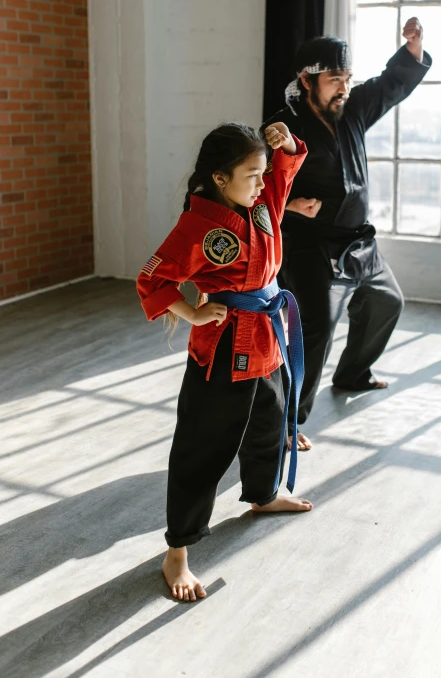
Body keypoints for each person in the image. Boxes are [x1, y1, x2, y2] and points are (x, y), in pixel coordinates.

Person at [137, 121, 312, 603]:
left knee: (269, 425)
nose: (262, 183)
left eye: (262, 174)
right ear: (220, 177)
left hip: (267, 339)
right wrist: (192, 310)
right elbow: (152, 278)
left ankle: (262, 493)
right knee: (203, 450)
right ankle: (178, 550)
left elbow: (285, 173)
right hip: (222, 351)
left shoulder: (259, 207)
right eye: (252, 174)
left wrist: (288, 145)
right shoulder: (200, 226)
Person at [264, 18, 431, 451]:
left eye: (347, 77)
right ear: (307, 79)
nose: (343, 86)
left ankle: (353, 373)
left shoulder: (352, 108)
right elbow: (251, 188)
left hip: (359, 241)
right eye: (335, 78)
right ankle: (287, 420)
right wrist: (290, 205)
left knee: (387, 301)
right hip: (311, 246)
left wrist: (413, 47)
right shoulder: (282, 128)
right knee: (316, 327)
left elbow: (392, 83)